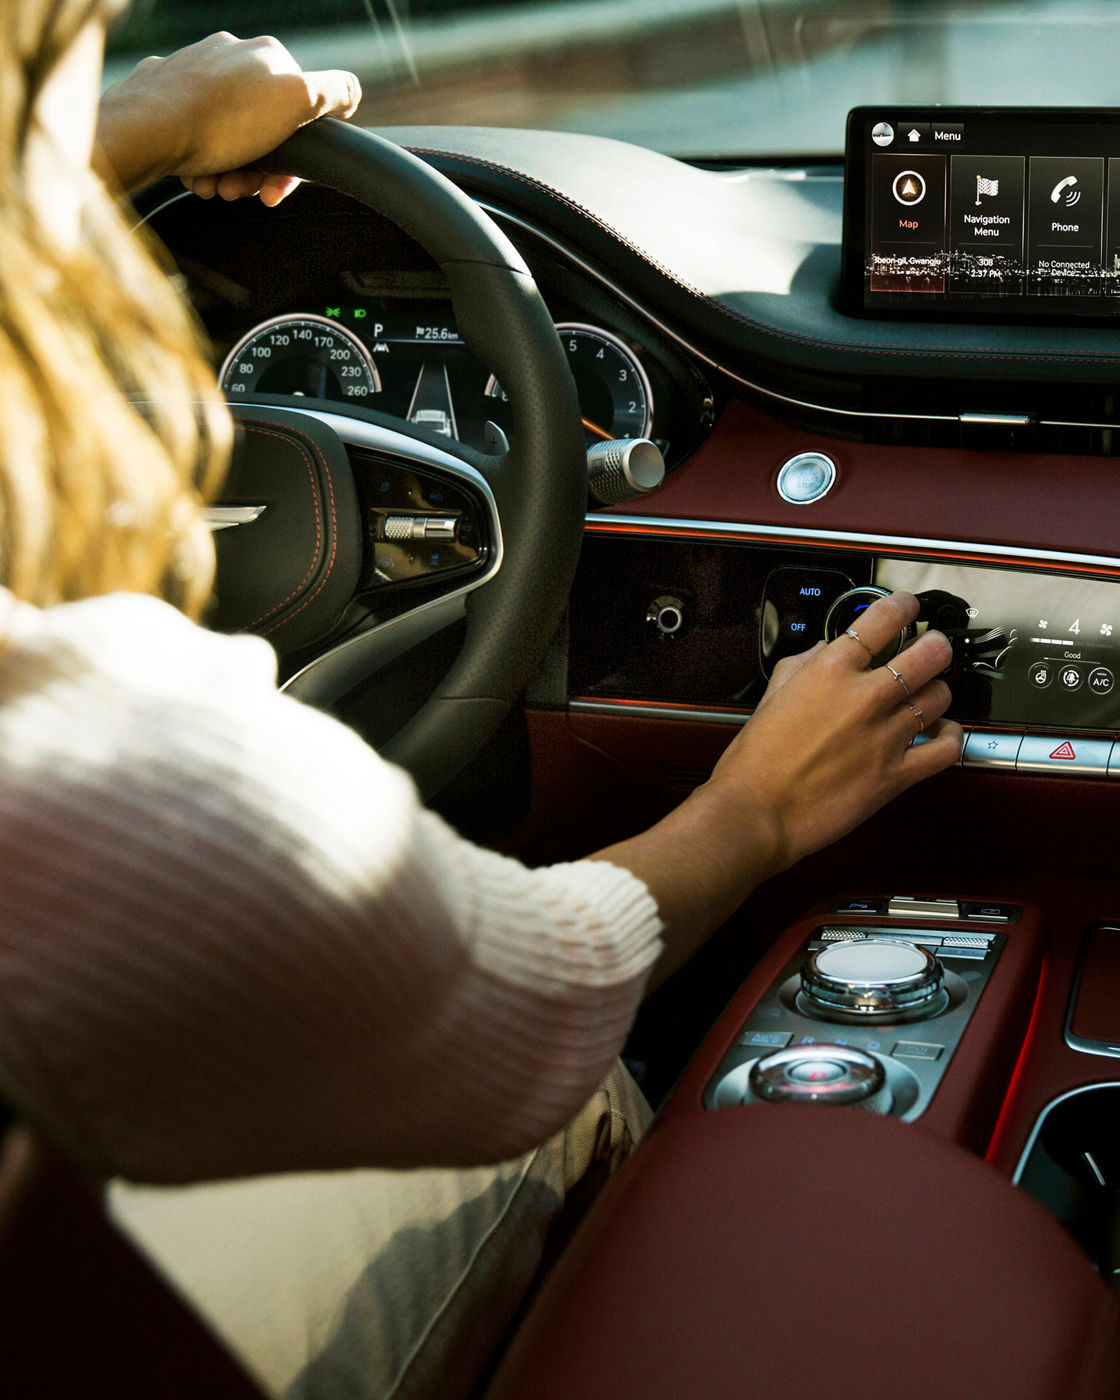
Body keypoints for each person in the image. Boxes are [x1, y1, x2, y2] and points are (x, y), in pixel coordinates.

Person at [0, 9, 964, 1398]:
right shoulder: (106, 759)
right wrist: (755, 809)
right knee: (579, 1097)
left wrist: (135, 117)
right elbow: (538, 1002)